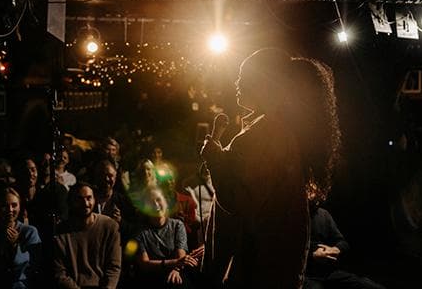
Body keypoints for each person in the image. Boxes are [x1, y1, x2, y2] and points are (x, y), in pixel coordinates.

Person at [201, 48, 342, 288]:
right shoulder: (276, 131)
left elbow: (238, 199)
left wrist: (213, 157)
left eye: (244, 76)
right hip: (272, 264)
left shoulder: (265, 134)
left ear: (265, 84)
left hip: (255, 266)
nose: (236, 82)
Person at [305, 188, 385, 289]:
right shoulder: (294, 215)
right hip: (307, 276)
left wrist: (336, 249)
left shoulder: (324, 214)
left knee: (369, 286)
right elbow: (285, 251)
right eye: (311, 190)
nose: (316, 194)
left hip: (329, 273)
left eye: (319, 191)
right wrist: (312, 255)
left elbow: (342, 242)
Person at [53, 182, 122, 289]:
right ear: (71, 202)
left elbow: (113, 267)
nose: (85, 203)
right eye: (79, 199)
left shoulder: (109, 226)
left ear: (95, 200)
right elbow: (60, 273)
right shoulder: (61, 232)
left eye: (89, 198)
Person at [135, 186, 203, 288]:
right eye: (150, 202)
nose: (156, 204)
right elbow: (145, 264)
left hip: (177, 271)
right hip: (152, 277)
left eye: (158, 199)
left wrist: (176, 269)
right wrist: (174, 263)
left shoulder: (177, 225)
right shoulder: (139, 232)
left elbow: (181, 256)